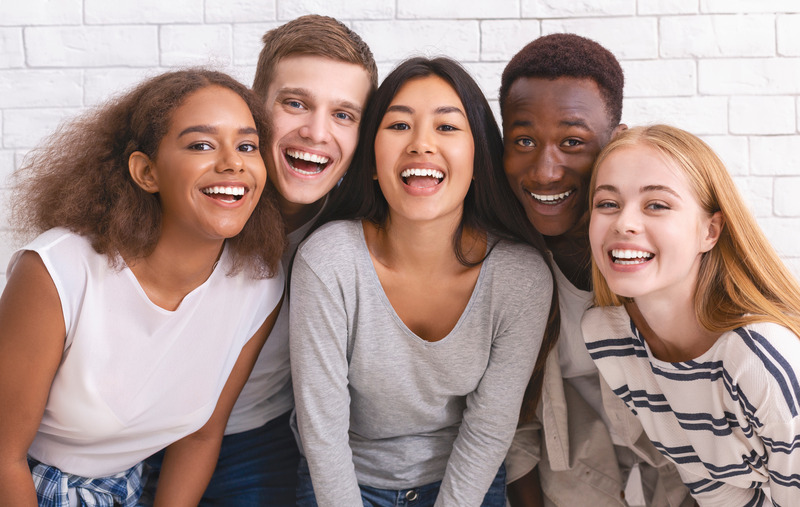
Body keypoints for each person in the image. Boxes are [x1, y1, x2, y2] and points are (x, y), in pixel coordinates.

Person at [0, 69, 285, 506]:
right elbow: (4, 455)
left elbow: (202, 436)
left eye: (247, 146)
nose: (233, 163)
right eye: (201, 145)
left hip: (124, 490)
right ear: (146, 171)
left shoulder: (259, 284)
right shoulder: (57, 271)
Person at [289, 56, 558, 507]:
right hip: (343, 483)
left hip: (462, 482)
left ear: (478, 160)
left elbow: (489, 429)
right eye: (398, 126)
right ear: (372, 160)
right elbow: (322, 430)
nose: (421, 144)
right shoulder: (329, 260)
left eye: (448, 127)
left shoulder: (520, 277)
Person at [142, 15, 376, 506]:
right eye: (295, 103)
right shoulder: (184, 191)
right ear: (254, 106)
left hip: (253, 439)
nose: (315, 132)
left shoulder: (356, 231)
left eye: (343, 114)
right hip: (129, 435)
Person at [500, 34, 692, 506]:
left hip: (687, 448)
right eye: (524, 140)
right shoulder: (501, 262)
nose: (546, 170)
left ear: (616, 140)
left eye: (573, 142)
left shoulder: (657, 249)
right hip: (573, 451)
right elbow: (515, 427)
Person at [583, 124, 800, 506]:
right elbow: (718, 493)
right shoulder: (610, 337)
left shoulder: (759, 358)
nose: (623, 223)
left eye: (656, 205)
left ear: (710, 231)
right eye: (607, 203)